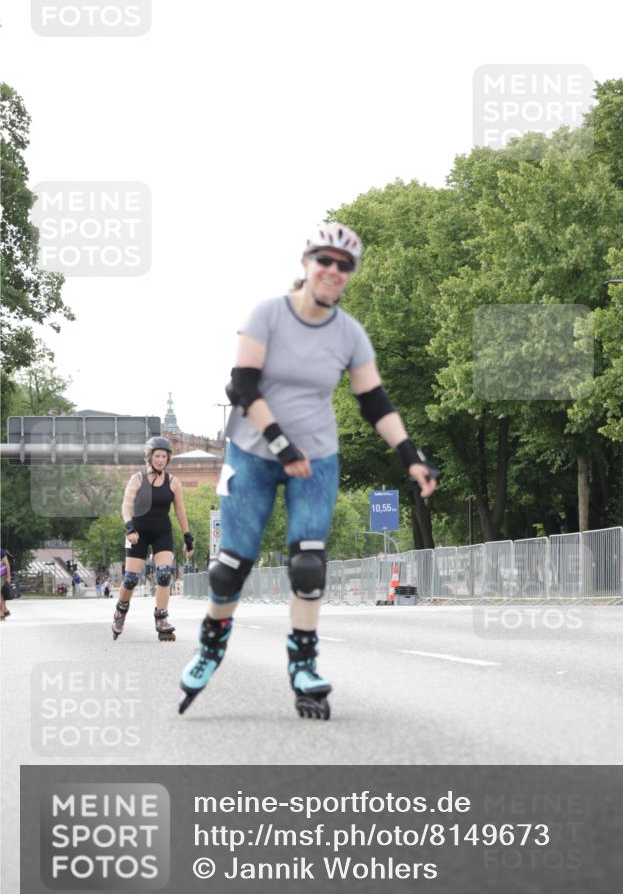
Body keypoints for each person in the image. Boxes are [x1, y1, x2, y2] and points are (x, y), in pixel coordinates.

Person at [179, 221, 439, 719]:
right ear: (306, 264)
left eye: (344, 266)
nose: (334, 271)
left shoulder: (350, 334)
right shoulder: (268, 315)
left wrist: (411, 456)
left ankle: (303, 663)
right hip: (253, 451)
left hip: (316, 455)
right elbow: (242, 388)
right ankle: (211, 646)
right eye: (325, 261)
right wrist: (281, 444)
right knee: (231, 566)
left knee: (308, 563)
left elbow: (374, 401)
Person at [113, 436, 194, 641]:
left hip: (162, 532)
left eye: (164, 456)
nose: (160, 460)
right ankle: (120, 612)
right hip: (137, 533)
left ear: (168, 459)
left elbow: (180, 512)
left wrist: (188, 537)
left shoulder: (173, 482)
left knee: (165, 575)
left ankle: (161, 618)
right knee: (130, 579)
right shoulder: (137, 479)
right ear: (150, 457)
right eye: (157, 456)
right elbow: (125, 506)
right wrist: (129, 528)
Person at [1, 547, 12, 620]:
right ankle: (5, 610)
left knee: (1, 594)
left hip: (1, 575)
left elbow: (7, 564)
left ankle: (1, 612)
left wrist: (8, 576)